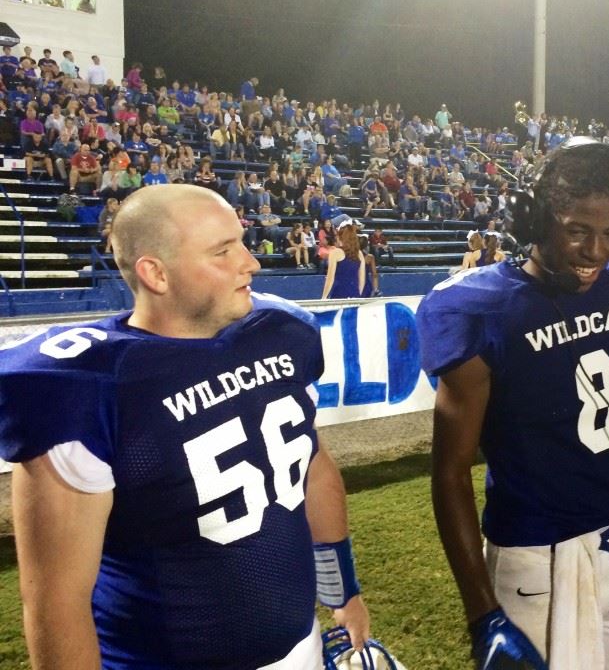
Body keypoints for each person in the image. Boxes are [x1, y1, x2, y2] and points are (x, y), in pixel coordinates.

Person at [0, 185, 370, 668]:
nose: (250, 263)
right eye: (223, 251)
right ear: (156, 272)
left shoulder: (279, 333)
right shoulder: (91, 388)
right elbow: (56, 604)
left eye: (241, 241)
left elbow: (312, 466)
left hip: (300, 644)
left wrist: (341, 588)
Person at [416, 137, 609, 669]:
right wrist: (482, 616)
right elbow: (450, 471)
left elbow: (589, 378)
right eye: (577, 231)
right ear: (534, 220)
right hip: (530, 555)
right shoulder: (479, 310)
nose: (596, 252)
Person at [321, 218, 371, 299]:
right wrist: (358, 294)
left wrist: (323, 297)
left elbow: (330, 278)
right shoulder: (359, 253)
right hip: (355, 293)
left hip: (339, 293)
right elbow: (362, 279)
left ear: (340, 237)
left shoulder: (335, 253)